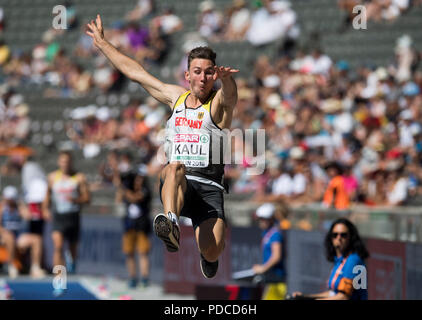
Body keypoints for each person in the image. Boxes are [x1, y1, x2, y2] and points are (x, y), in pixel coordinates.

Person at [86, 14, 238, 278]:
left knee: (213, 251)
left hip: (210, 189)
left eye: (209, 72)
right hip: (178, 183)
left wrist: (227, 80)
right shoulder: (175, 98)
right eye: (198, 72)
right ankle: (171, 223)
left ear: (215, 74)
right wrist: (103, 45)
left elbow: (230, 98)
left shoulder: (216, 103)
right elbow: (137, 74)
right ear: (187, 75)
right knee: (173, 166)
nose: (203, 78)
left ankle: (208, 256)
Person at [292, 218, 369, 300]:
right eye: (335, 235)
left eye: (343, 235)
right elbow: (332, 294)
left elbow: (343, 297)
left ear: (351, 237)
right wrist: (305, 297)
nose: (339, 238)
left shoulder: (353, 260)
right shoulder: (340, 260)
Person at [42, 150, 90, 274]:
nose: (65, 164)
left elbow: (87, 198)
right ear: (59, 162)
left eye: (67, 162)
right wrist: (45, 209)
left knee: (72, 247)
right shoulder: (53, 177)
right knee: (58, 246)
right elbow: (47, 195)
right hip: (58, 216)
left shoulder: (79, 178)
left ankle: (71, 260)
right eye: (62, 161)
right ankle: (59, 280)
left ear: (71, 162)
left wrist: (75, 199)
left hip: (73, 216)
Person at [116, 155, 152, 288]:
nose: (138, 181)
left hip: (142, 224)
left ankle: (144, 277)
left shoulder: (145, 190)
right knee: (129, 252)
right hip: (129, 224)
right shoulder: (128, 187)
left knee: (143, 252)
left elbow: (135, 198)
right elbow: (119, 199)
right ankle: (132, 277)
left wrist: (124, 189)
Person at [252, 203, 287, 300]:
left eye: (264, 219)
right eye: (260, 219)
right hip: (272, 281)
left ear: (271, 219)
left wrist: (263, 268)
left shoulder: (275, 234)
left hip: (277, 282)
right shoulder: (267, 233)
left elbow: (276, 256)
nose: (261, 222)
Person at [0, 186, 23, 278]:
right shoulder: (2, 208)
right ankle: (11, 265)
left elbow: (27, 216)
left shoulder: (19, 207)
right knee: (9, 237)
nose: (10, 201)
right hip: (5, 236)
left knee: (36, 239)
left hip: (19, 236)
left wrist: (21, 206)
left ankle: (35, 267)